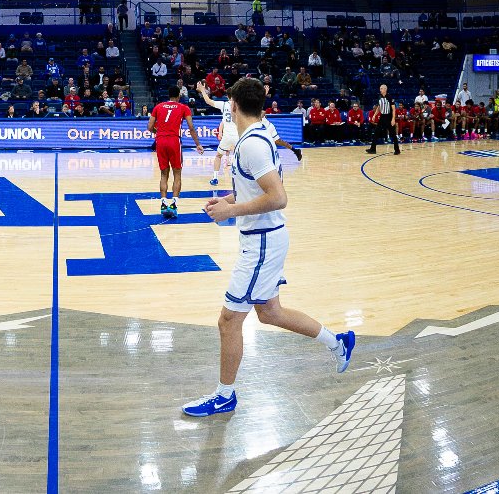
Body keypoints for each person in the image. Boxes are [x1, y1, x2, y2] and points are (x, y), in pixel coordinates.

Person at [185, 77, 355, 418]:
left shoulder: (251, 144)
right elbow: (262, 188)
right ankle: (338, 342)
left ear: (233, 106)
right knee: (271, 312)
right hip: (267, 239)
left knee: (228, 320)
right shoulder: (260, 133)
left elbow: (278, 197)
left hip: (262, 243)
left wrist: (231, 210)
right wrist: (231, 199)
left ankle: (225, 395)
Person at [150, 85, 206, 218]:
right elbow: (191, 128)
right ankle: (174, 205)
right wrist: (198, 144)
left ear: (168, 95)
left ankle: (163, 204)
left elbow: (149, 126)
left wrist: (158, 133)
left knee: (164, 174)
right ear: (179, 96)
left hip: (161, 141)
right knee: (177, 173)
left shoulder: (158, 106)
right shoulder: (183, 107)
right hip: (174, 141)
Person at [197, 80, 238, 186]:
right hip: (239, 136)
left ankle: (215, 178)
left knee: (218, 156)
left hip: (227, 136)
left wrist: (202, 90)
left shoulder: (224, 105)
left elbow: (208, 101)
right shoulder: (241, 106)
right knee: (242, 158)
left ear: (228, 96)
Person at [366, 84, 400, 155]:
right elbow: (379, 107)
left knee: (393, 134)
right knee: (376, 132)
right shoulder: (379, 97)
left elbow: (394, 109)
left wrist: (393, 119)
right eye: (380, 88)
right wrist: (374, 115)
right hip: (382, 117)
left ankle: (397, 150)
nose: (380, 90)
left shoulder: (389, 97)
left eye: (381, 88)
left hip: (389, 117)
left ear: (385, 89)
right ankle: (373, 149)